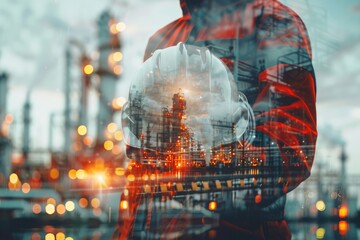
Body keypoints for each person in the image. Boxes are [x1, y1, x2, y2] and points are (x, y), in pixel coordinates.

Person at [141, 0, 317, 239]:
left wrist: (197, 158)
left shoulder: (274, 22)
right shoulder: (161, 40)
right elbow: (140, 166)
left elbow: (290, 150)